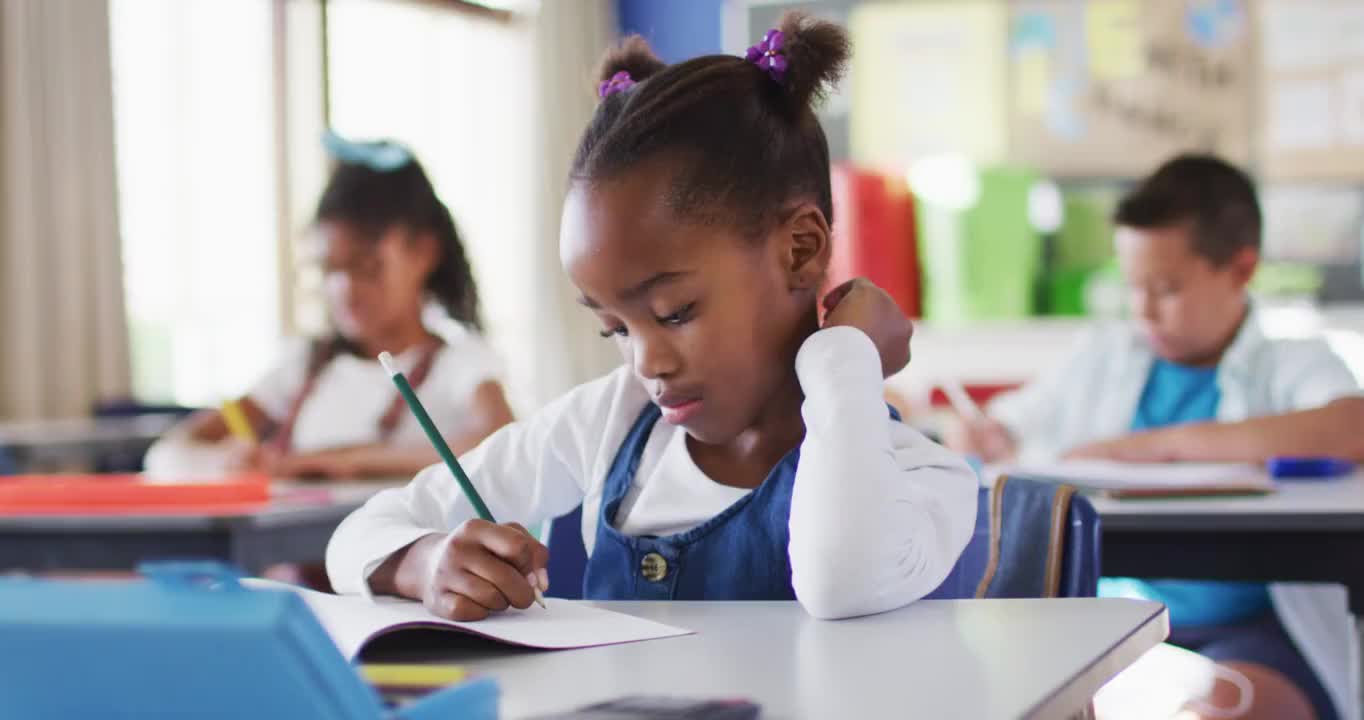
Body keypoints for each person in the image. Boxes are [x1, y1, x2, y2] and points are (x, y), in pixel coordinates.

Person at [325, 13, 976, 623]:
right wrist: (423, 561)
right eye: (615, 328)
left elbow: (842, 578)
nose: (646, 362)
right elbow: (362, 532)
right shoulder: (606, 424)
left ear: (801, 250)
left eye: (675, 313)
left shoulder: (918, 476)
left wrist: (844, 355)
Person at [948, 154, 1364, 720]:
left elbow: (1349, 427)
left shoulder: (1290, 362)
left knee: (1223, 710)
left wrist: (1154, 446)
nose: (1143, 310)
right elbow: (1007, 425)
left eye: (1166, 288)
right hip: (1122, 624)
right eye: (1133, 288)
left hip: (1253, 633)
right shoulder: (1103, 356)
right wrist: (984, 433)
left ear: (1241, 270)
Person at [146, 134, 514, 481]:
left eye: (366, 268)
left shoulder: (460, 364)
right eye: (329, 270)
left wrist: (343, 461)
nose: (345, 289)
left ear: (424, 252)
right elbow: (168, 453)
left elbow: (499, 443)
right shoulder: (304, 367)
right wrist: (224, 460)